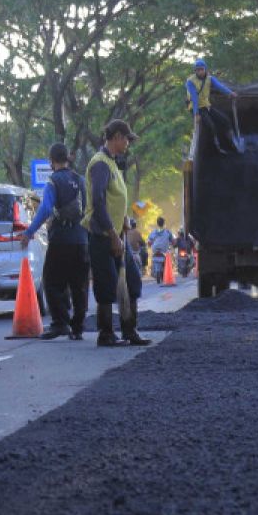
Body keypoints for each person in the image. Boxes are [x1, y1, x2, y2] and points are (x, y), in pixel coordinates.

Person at [82, 120, 151, 347]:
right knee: (107, 284)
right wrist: (112, 235)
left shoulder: (113, 164)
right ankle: (106, 333)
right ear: (118, 137)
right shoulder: (100, 164)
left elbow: (115, 202)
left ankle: (130, 330)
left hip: (117, 234)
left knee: (131, 281)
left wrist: (125, 225)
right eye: (127, 139)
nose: (128, 144)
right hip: (102, 236)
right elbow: (99, 202)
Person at [22, 143, 88, 341]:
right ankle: (78, 326)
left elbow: (46, 209)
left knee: (52, 282)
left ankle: (60, 324)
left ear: (51, 161)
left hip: (60, 240)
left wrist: (29, 231)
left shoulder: (53, 181)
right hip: (81, 239)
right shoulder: (80, 180)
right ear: (68, 158)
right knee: (79, 284)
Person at [185, 58, 238, 154]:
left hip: (206, 105)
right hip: (195, 107)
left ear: (205, 69)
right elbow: (194, 97)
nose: (200, 71)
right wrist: (196, 114)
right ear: (195, 71)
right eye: (197, 70)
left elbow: (220, 86)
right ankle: (217, 148)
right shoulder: (190, 81)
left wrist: (230, 93)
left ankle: (232, 142)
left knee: (225, 120)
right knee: (210, 126)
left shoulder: (210, 79)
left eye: (201, 69)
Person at [148, 217, 175, 282]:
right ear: (164, 223)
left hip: (155, 249)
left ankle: (156, 271)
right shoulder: (167, 232)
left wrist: (150, 244)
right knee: (169, 258)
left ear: (157, 223)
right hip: (164, 250)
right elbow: (173, 241)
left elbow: (149, 242)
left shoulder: (153, 232)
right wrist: (173, 244)